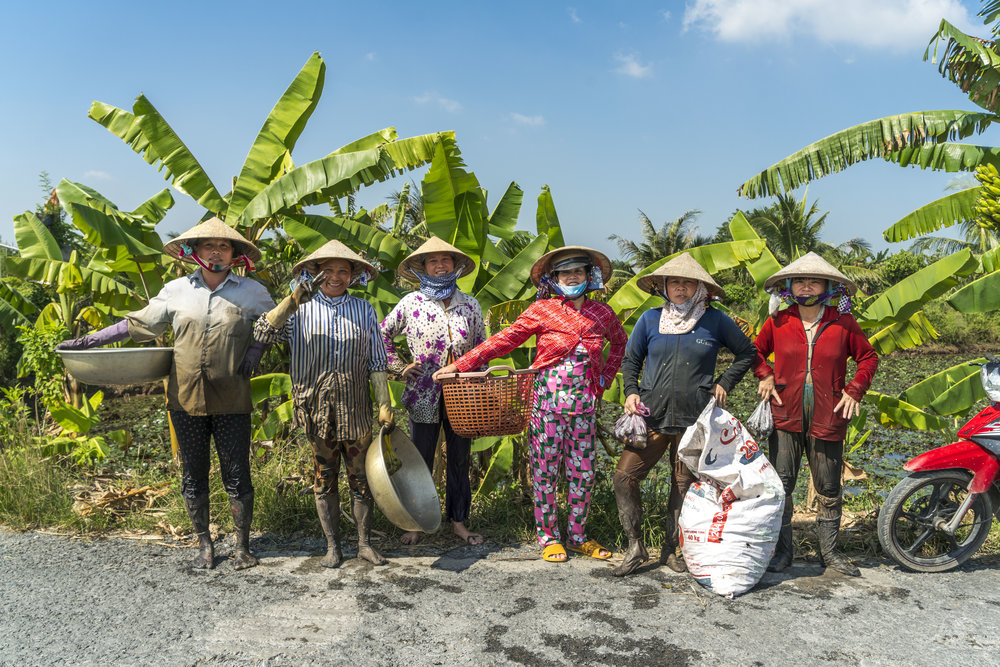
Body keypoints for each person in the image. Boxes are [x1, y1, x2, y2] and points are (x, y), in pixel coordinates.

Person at [57, 217, 274, 570]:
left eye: (223, 246)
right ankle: (204, 544)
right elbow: (137, 324)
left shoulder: (253, 292)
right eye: (209, 246)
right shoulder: (176, 291)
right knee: (193, 471)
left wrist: (258, 349)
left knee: (236, 471)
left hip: (232, 396)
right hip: (185, 398)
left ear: (235, 254)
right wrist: (90, 341)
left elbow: (278, 322)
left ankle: (242, 545)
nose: (216, 252)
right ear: (194, 252)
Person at [434, 246, 627, 563]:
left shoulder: (602, 314)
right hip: (547, 408)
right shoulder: (542, 311)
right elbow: (502, 340)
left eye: (578, 272)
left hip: (585, 409)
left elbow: (620, 343)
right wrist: (461, 366)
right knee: (545, 473)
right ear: (554, 279)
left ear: (589, 276)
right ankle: (549, 537)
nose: (572, 277)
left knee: (584, 473)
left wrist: (604, 379)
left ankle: (578, 536)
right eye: (565, 273)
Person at [613, 253, 756, 576]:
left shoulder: (715, 320)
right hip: (651, 416)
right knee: (624, 477)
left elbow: (747, 352)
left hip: (695, 420)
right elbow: (631, 360)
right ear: (663, 286)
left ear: (700, 288)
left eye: (688, 282)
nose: (680, 287)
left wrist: (724, 382)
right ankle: (635, 546)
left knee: (682, 484)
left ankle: (672, 548)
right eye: (674, 282)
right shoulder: (650, 320)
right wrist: (631, 392)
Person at [252, 240, 394, 568]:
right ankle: (333, 546)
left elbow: (375, 360)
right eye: (327, 270)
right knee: (324, 476)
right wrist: (291, 300)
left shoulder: (364, 310)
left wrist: (385, 402)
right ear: (314, 274)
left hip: (355, 409)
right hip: (316, 411)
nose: (335, 276)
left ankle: (364, 543)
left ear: (353, 276)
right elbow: (263, 333)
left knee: (360, 478)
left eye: (343, 271)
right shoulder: (299, 308)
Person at [754, 252, 878, 577]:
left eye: (814, 280)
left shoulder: (843, 322)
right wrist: (765, 374)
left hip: (829, 413)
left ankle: (830, 553)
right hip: (785, 415)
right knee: (781, 486)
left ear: (827, 286)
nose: (807, 285)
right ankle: (782, 554)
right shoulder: (779, 321)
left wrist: (855, 390)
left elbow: (868, 358)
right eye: (801, 280)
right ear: (790, 287)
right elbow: (753, 351)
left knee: (828, 486)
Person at [381, 237, 486, 546]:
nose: (440, 265)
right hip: (423, 392)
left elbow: (482, 347)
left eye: (446, 260)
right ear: (423, 268)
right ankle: (415, 523)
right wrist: (398, 366)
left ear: (455, 266)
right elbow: (382, 334)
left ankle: (458, 522)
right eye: (432, 261)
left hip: (463, 395)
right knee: (420, 459)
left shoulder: (470, 304)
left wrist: (475, 376)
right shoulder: (411, 303)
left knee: (458, 459)